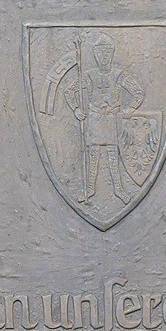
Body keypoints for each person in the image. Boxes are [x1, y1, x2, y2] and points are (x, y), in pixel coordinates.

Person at [64, 33, 144, 204]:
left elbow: (138, 91)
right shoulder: (89, 75)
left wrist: (131, 108)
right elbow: (69, 91)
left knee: (113, 155)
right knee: (93, 155)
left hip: (112, 121)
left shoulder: (119, 75)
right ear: (95, 54)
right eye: (100, 53)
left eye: (107, 53)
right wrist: (76, 109)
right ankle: (89, 189)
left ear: (112, 53)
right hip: (94, 120)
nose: (103, 57)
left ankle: (119, 190)